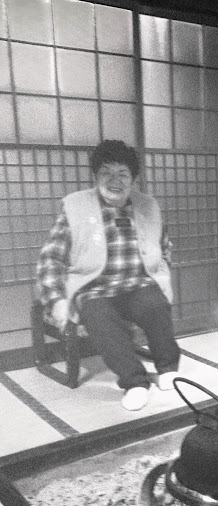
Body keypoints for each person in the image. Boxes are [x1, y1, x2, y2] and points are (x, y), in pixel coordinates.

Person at [37, 139, 180, 411]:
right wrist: (56, 299)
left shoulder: (148, 205)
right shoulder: (75, 206)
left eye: (122, 174)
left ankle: (168, 368)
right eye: (106, 173)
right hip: (94, 289)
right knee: (98, 315)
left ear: (133, 179)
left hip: (137, 284)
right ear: (95, 176)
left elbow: (164, 246)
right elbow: (50, 257)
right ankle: (135, 382)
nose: (115, 181)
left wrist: (162, 275)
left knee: (156, 304)